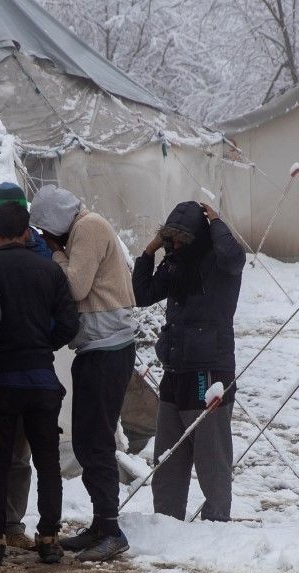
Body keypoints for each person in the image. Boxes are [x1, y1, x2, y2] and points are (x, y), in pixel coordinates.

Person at [29, 185, 138, 562]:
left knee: (96, 442)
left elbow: (75, 286)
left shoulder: (88, 228)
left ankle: (111, 529)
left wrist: (56, 256)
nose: (46, 239)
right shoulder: (82, 229)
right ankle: (100, 524)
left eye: (45, 231)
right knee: (88, 440)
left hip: (108, 350)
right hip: (96, 349)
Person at [0, 201, 80, 567]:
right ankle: (49, 539)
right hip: (41, 379)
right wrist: (41, 343)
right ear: (27, 234)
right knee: (47, 463)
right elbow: (70, 325)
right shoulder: (49, 271)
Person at [131, 200, 246, 522]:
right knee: (167, 453)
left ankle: (216, 520)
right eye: (172, 240)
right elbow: (142, 294)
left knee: (211, 455)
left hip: (209, 370)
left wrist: (218, 222)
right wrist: (149, 251)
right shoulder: (174, 264)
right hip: (175, 367)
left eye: (183, 239)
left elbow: (235, 257)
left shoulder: (220, 265)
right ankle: (166, 520)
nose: (177, 246)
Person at [0, 181, 53, 552]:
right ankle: (8, 526)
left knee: (6, 456)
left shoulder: (35, 248)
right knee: (16, 455)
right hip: (29, 369)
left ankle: (3, 529)